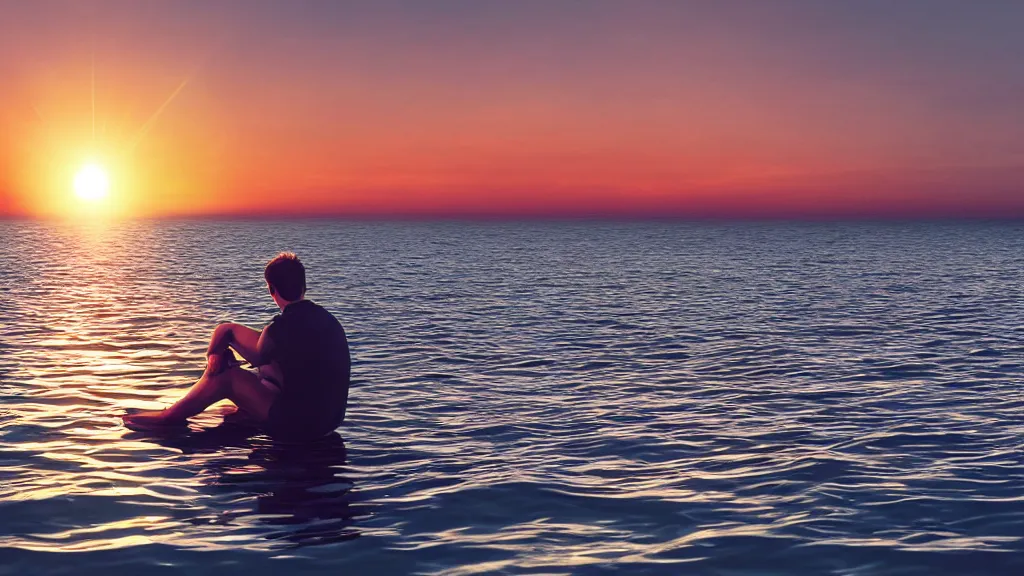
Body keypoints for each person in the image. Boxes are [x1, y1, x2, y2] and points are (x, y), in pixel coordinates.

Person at [123, 253, 351, 441]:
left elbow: (244, 345)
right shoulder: (328, 320)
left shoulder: (279, 329)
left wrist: (218, 362)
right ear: (304, 286)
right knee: (265, 370)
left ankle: (168, 417)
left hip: (299, 425)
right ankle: (242, 413)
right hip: (330, 422)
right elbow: (228, 331)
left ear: (272, 290)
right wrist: (216, 354)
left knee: (228, 378)